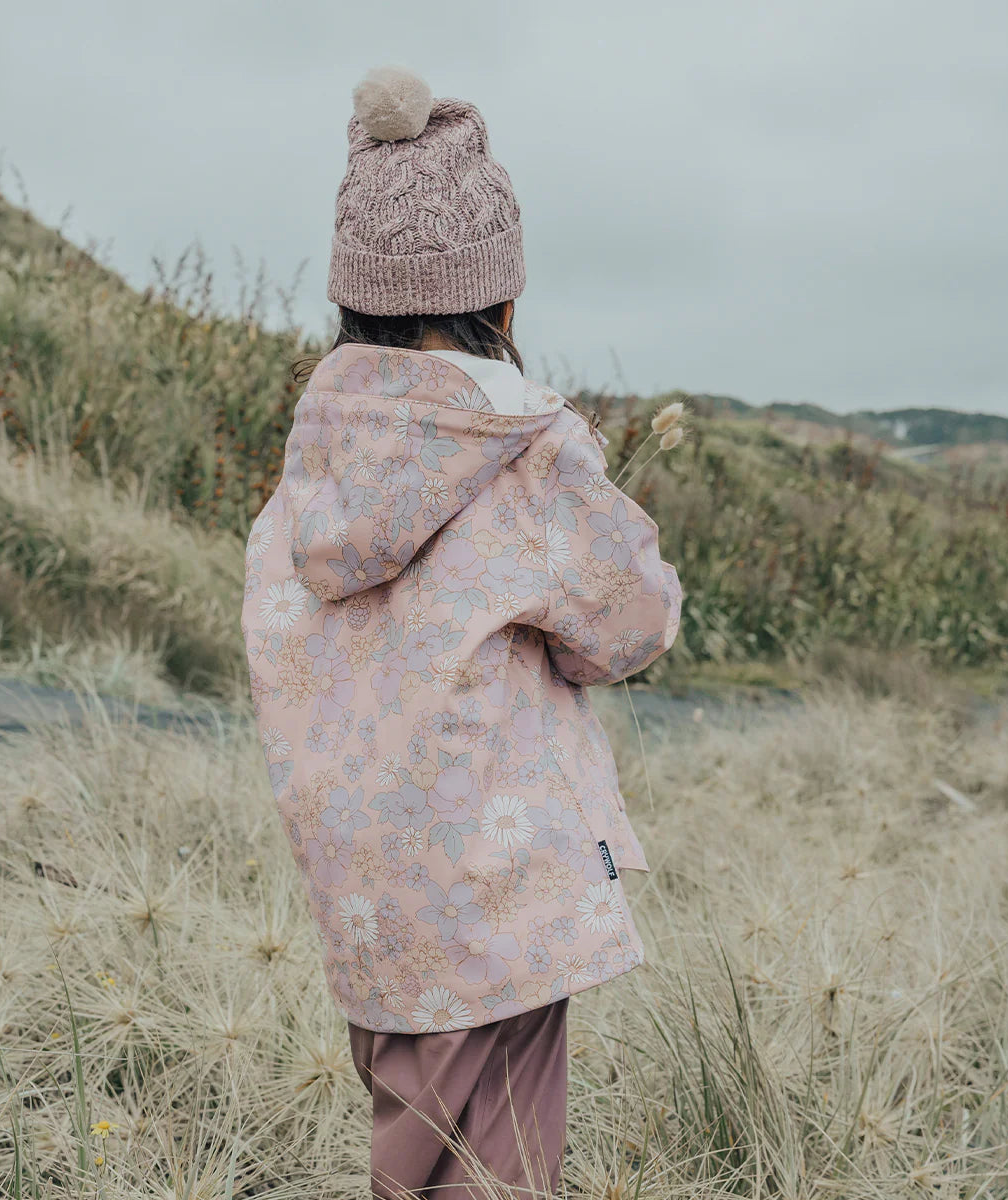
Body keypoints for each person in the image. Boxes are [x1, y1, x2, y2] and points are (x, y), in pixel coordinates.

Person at [241, 65, 683, 1200]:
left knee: (416, 1146)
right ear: (504, 304)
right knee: (498, 1170)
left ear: (352, 302)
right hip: (500, 888)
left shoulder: (310, 474)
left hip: (370, 894)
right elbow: (632, 621)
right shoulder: (524, 450)